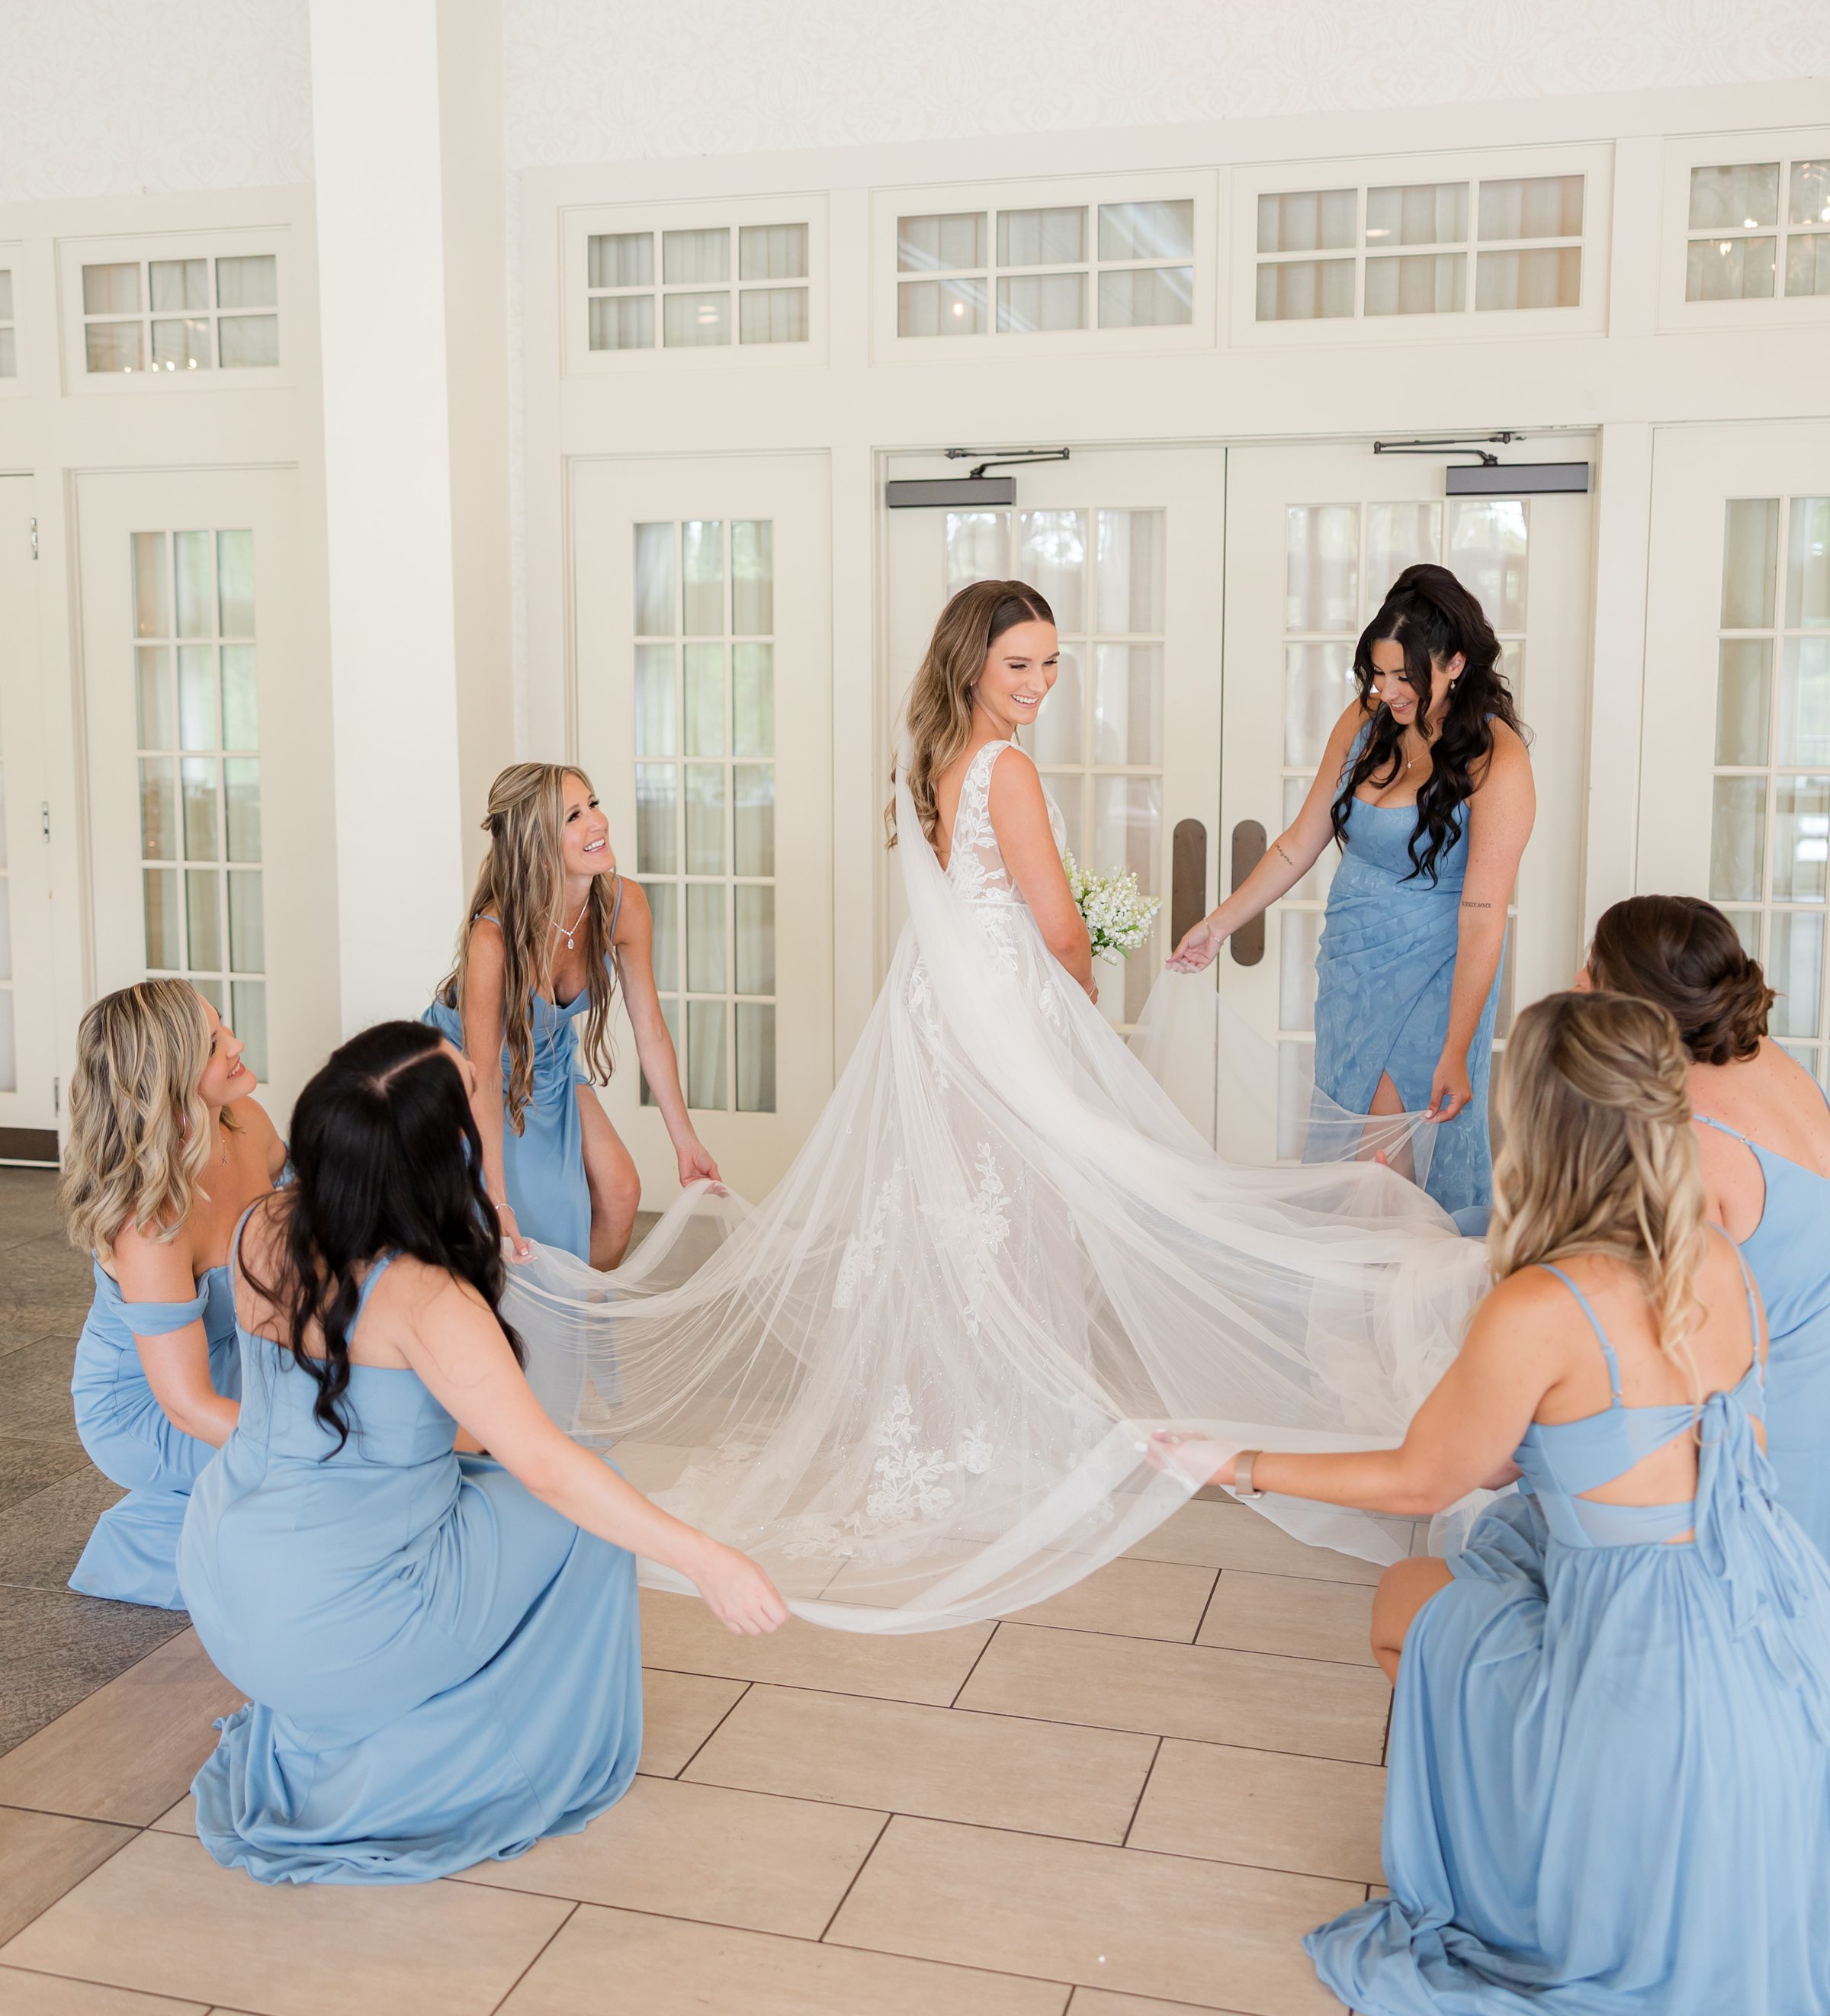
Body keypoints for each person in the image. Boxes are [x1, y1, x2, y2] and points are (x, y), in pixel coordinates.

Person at [498, 579, 1485, 1630]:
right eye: (1020, 664)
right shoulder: (1005, 769)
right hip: (1003, 1019)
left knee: (960, 1225)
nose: (1041, 684)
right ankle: (991, 1432)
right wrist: (1083, 990)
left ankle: (965, 1420)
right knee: (1006, 1224)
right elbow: (1056, 923)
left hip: (941, 1015)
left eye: (1052, 663)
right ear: (973, 664)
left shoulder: (933, 759)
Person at [1151, 990, 1830, 2016]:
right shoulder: (1723, 1261)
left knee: (1407, 1603)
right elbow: (1678, 1442)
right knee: (1504, 1555)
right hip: (1777, 1628)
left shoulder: (1546, 1303)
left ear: (1543, 1126)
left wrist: (1232, 1463)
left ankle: (1540, 1860)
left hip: (1646, 1666)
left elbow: (1423, 1480)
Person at [178, 1022, 785, 1886]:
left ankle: (391, 1714)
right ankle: (496, 1755)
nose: (486, 1084)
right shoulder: (426, 1299)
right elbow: (549, 1467)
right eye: (473, 1085)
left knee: (489, 1480)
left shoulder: (260, 1227)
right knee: (588, 1507)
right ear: (446, 1148)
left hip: (222, 1585)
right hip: (340, 1623)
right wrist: (708, 1560)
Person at [1170, 563, 1533, 1224]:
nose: (1387, 691)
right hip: (1353, 970)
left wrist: (1457, 1050)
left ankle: (1398, 1320)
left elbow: (1484, 918)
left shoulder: (1497, 760)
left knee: (1388, 1172)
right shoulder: (1367, 721)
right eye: (1378, 673)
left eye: (1404, 677)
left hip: (1437, 977)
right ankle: (1348, 1322)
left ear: (1454, 664)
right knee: (1347, 1172)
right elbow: (1300, 841)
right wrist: (1218, 924)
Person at [1584, 893, 1830, 1562]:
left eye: (1591, 970)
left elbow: (1670, 1339)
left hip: (1780, 1434)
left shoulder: (1691, 1140)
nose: (1577, 982)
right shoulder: (1771, 1061)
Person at [427, 762, 719, 1266]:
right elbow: (483, 1078)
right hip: (468, 1074)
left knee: (621, 1190)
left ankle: (579, 1329)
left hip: (550, 1058)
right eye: (573, 817)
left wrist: (685, 1139)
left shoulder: (625, 906)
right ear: (535, 844)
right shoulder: (492, 940)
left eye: (594, 805)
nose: (597, 822)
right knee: (524, 1217)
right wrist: (494, 1196)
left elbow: (650, 1030)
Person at [58, 981, 282, 1609]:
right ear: (171, 1078)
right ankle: (155, 1543)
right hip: (147, 1409)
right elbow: (187, 1405)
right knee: (322, 1464)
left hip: (232, 1356)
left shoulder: (248, 1125)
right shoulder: (149, 1224)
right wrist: (306, 1443)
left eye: (224, 1026)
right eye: (214, 1045)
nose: (237, 1045)